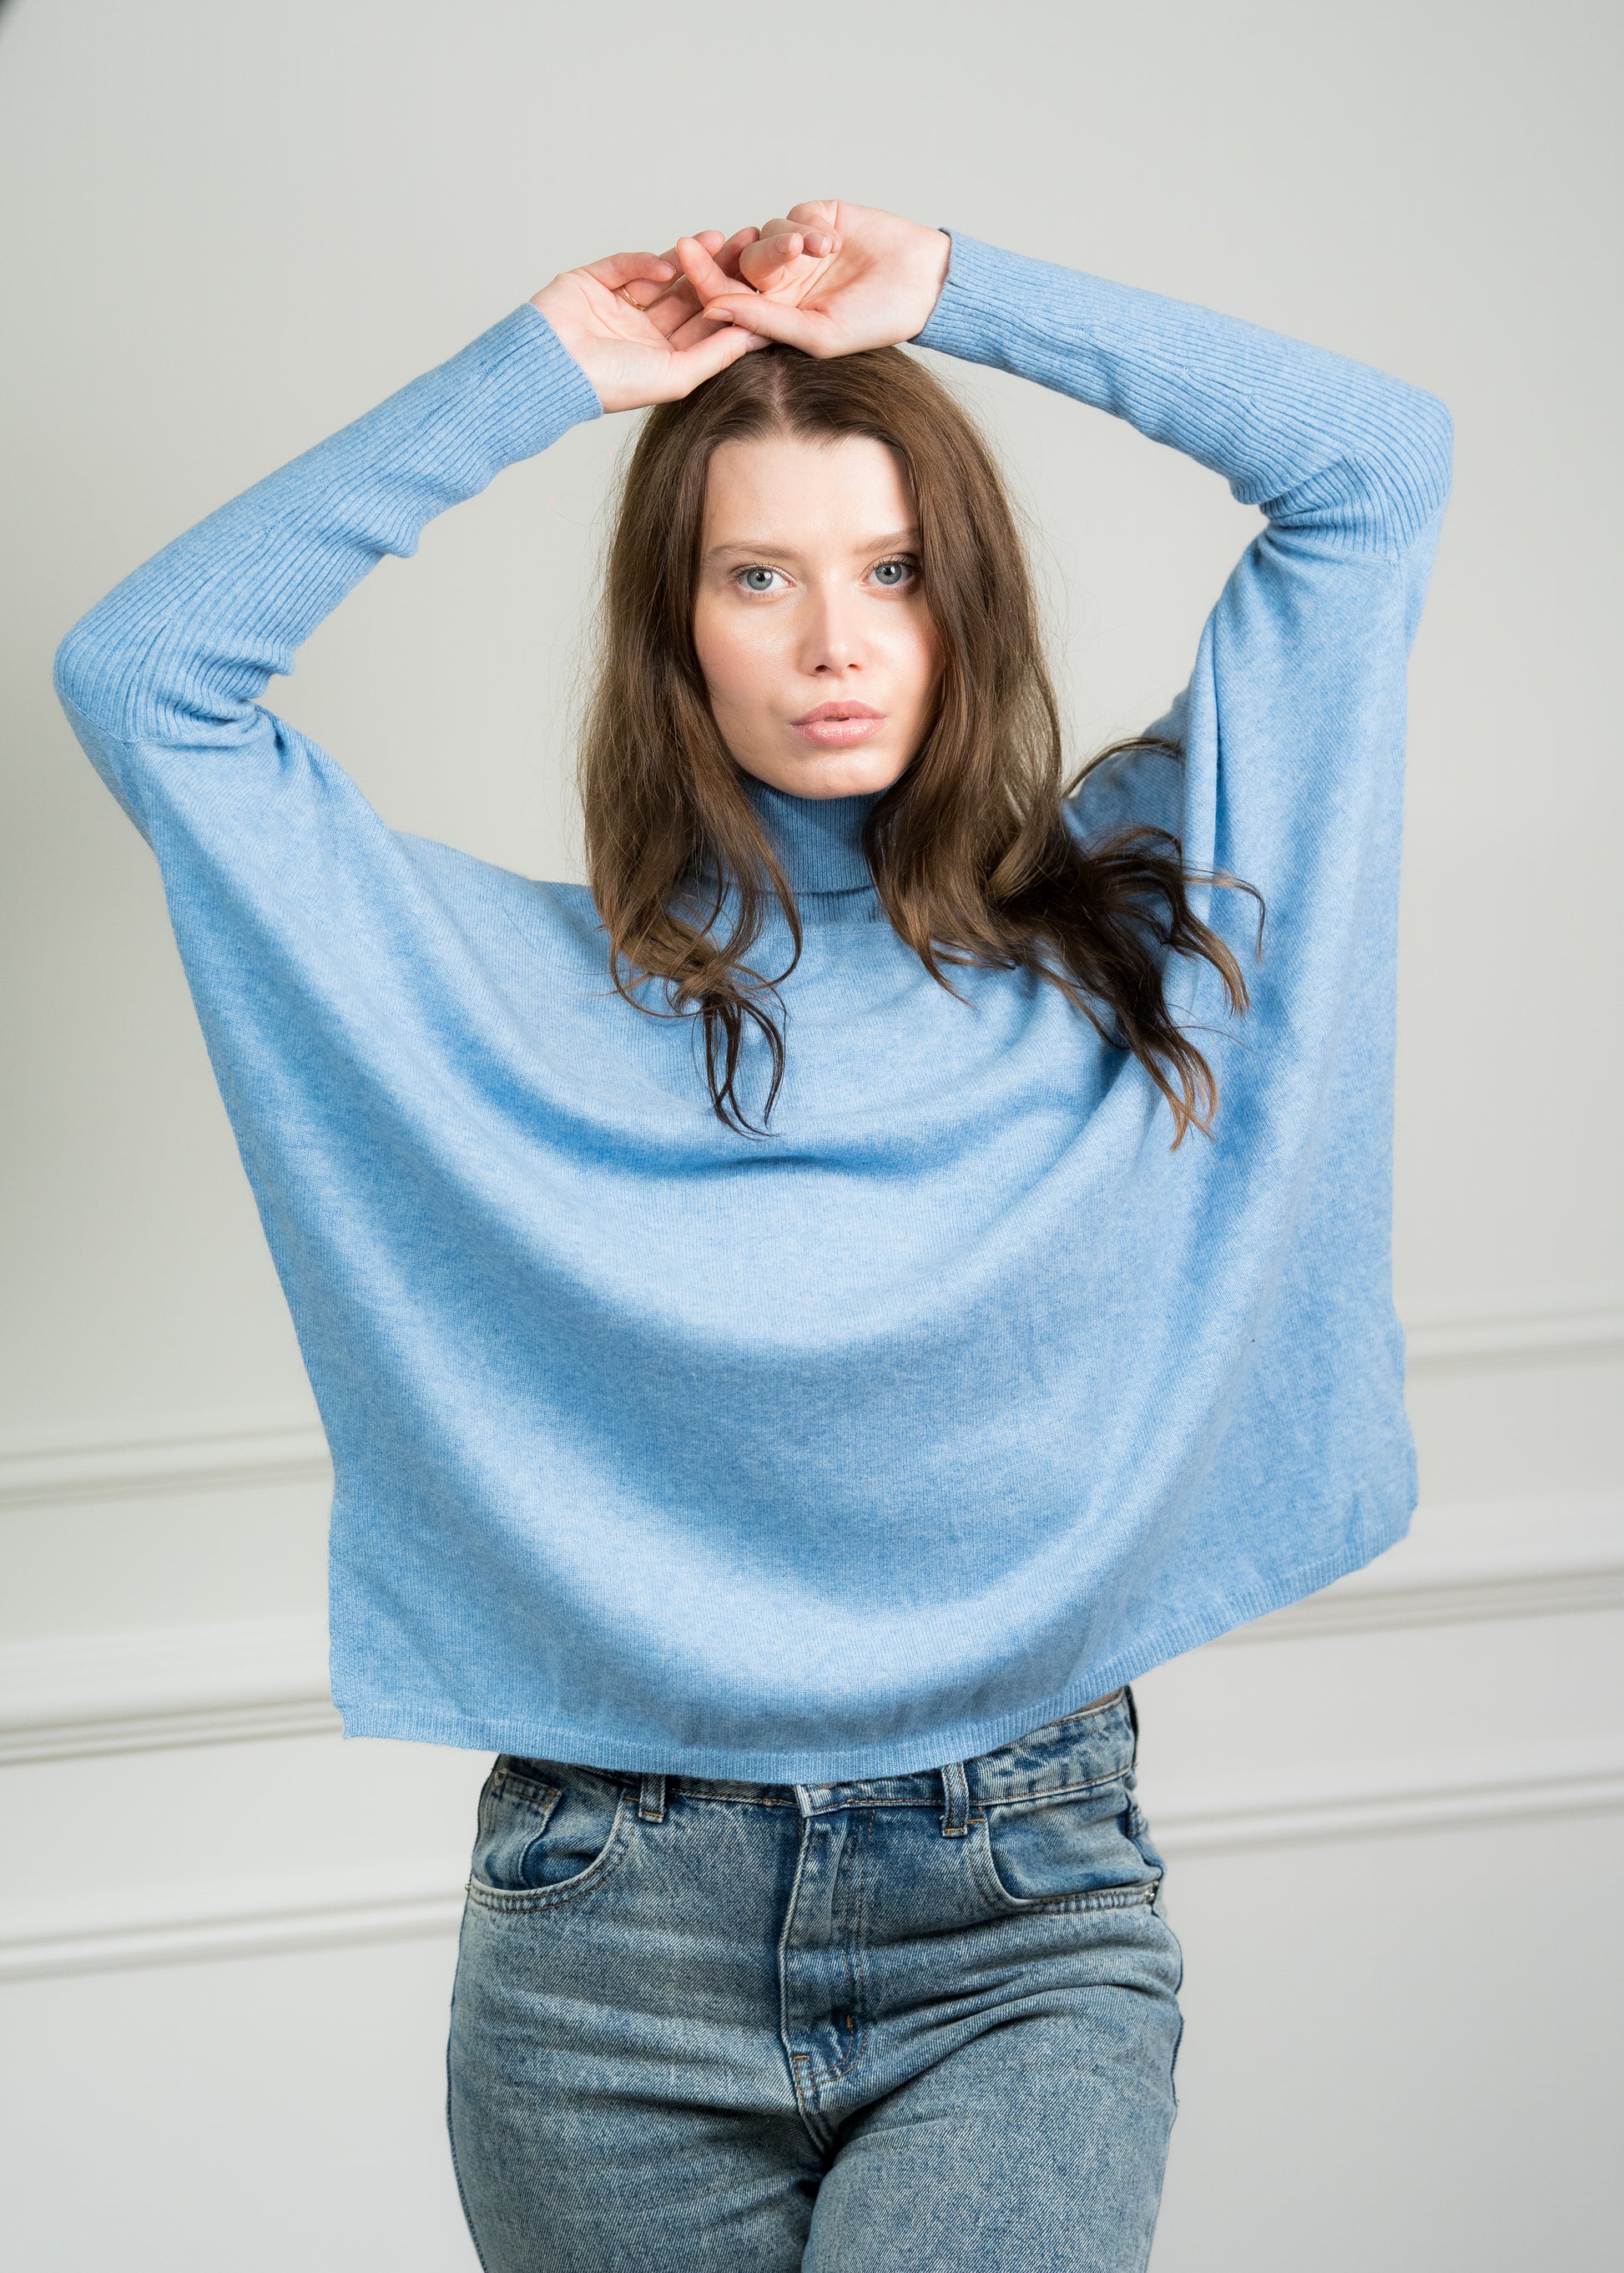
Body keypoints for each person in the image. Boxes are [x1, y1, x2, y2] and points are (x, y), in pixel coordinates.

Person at [53, 200, 1451, 2270]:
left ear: (964, 599)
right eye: (758, 575)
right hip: (605, 1934)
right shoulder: (495, 996)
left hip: (1023, 1906)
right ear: (676, 627)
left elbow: (1371, 469)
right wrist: (532, 371)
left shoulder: (1136, 921)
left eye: (895, 571)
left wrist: (958, 295)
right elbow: (145, 679)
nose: (835, 641)